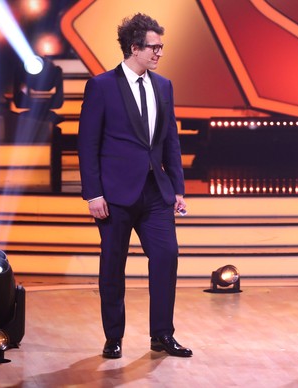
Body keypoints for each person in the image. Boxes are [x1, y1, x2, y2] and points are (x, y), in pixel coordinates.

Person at [77, 13, 192, 359]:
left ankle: (162, 335)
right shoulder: (101, 86)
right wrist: (93, 193)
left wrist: (178, 188)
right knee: (113, 264)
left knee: (166, 257)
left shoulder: (164, 86)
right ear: (134, 48)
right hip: (115, 195)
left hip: (156, 191)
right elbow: (87, 144)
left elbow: (170, 139)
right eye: (154, 48)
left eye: (161, 47)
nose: (159, 53)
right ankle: (114, 337)